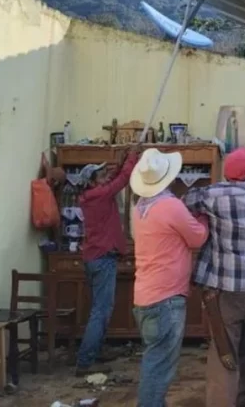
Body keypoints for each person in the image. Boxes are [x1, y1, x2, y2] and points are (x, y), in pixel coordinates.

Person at [184, 145, 245, 407]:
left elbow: (187, 202)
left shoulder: (213, 195)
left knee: (225, 356)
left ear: (226, 174)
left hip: (226, 292)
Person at [130, 148, 209, 407]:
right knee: (159, 368)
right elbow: (198, 237)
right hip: (166, 299)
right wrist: (203, 218)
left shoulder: (139, 207)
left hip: (144, 296)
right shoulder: (171, 206)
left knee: (155, 362)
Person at [75, 146, 139, 376]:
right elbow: (121, 180)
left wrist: (122, 161)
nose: (105, 176)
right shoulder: (99, 194)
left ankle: (94, 351)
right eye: (100, 175)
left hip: (94, 258)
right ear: (92, 182)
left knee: (99, 309)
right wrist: (131, 158)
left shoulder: (92, 194)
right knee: (101, 311)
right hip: (102, 258)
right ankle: (85, 360)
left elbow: (113, 178)